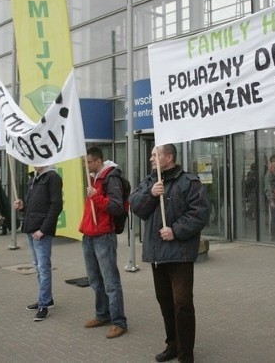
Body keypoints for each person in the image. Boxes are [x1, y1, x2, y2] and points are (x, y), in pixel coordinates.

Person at [129, 144, 209, 363]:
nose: (151, 158)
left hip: (180, 254)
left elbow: (200, 213)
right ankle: (172, 345)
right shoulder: (149, 182)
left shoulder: (189, 182)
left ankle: (186, 354)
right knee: (165, 301)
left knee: (182, 303)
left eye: (155, 155)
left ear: (169, 157)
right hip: (157, 254)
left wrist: (175, 231)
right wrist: (152, 194)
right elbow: (136, 206)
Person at [79, 147, 128, 339]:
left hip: (103, 235)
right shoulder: (94, 178)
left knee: (110, 281)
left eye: (88, 162)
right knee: (95, 280)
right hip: (89, 234)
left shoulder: (111, 177)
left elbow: (116, 206)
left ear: (98, 162)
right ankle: (102, 315)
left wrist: (96, 197)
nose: (86, 166)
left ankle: (119, 322)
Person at [14, 165, 63, 322]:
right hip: (31, 228)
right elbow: (33, 206)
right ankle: (46, 298)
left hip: (40, 231)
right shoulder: (34, 177)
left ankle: (44, 305)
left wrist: (43, 229)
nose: (34, 161)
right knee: (38, 266)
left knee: (43, 267)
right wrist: (23, 207)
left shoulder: (52, 177)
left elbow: (56, 206)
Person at [264, 154, 275, 241]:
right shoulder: (269, 174)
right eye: (273, 161)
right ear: (270, 163)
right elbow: (268, 188)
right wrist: (271, 200)